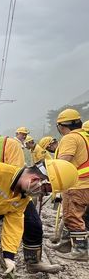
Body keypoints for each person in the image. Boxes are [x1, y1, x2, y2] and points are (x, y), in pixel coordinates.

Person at [0, 118, 59, 274]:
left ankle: (33, 260)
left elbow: (15, 174)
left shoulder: (10, 145)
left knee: (33, 224)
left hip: (15, 192)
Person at [51, 108, 89, 260]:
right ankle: (67, 243)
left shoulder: (70, 138)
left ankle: (81, 250)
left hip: (76, 184)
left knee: (72, 216)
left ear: (61, 126)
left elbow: (63, 161)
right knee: (80, 215)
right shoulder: (85, 135)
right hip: (86, 183)